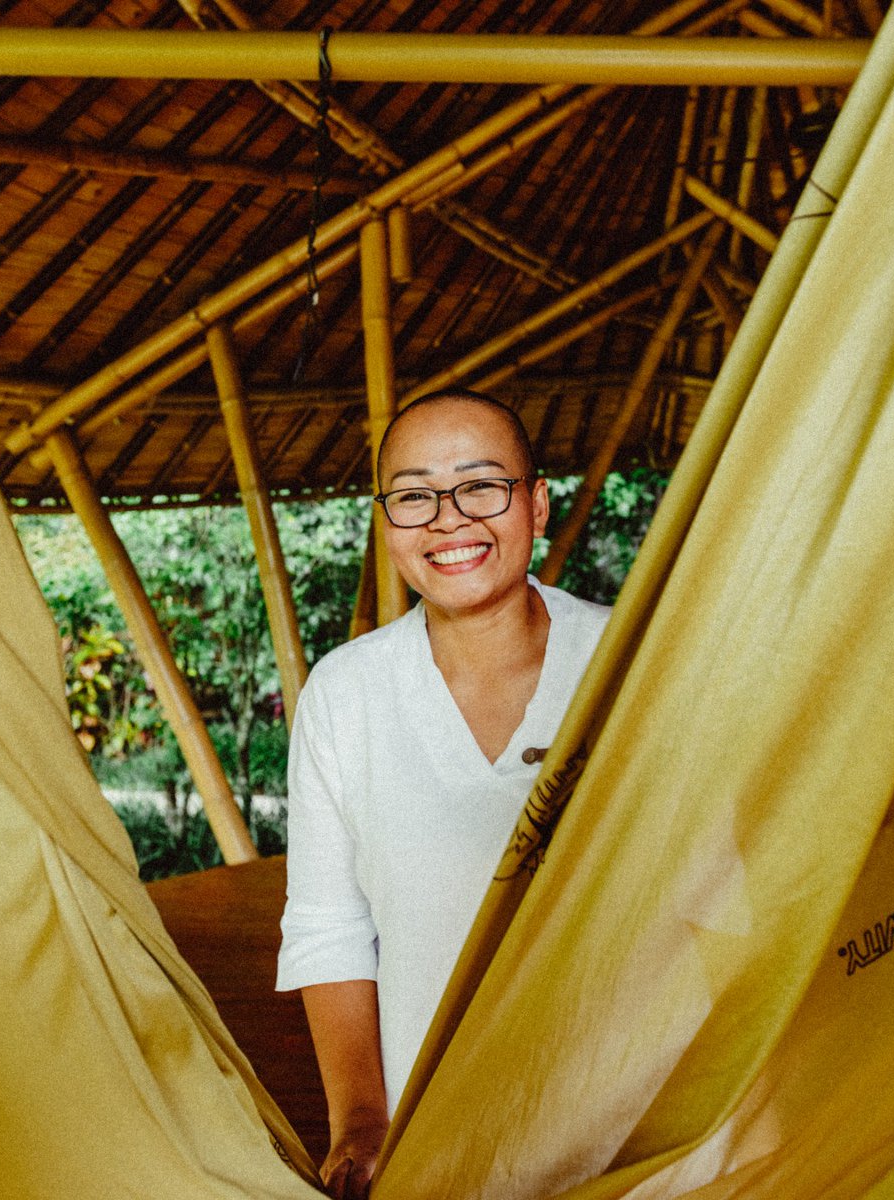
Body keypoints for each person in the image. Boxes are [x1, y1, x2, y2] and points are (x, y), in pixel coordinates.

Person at [276, 389, 611, 1198]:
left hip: (636, 1118)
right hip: (440, 1137)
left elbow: (715, 895)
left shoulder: (628, 660)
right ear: (386, 521)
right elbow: (328, 928)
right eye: (414, 495)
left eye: (481, 485)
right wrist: (362, 1121)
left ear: (536, 504)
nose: (448, 518)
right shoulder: (345, 693)